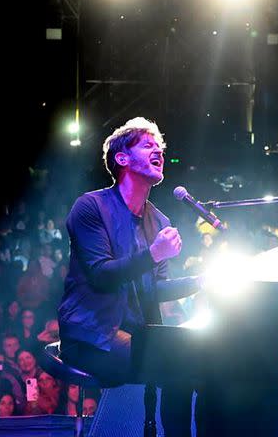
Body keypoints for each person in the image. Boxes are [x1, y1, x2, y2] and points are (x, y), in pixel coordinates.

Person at [57, 117, 204, 436]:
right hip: (90, 333)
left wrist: (203, 281)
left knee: (206, 355)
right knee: (181, 363)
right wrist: (153, 254)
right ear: (122, 158)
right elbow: (100, 275)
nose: (159, 152)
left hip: (135, 333)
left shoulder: (159, 220)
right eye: (148, 145)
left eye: (161, 147)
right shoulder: (91, 207)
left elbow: (154, 290)